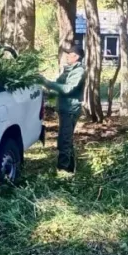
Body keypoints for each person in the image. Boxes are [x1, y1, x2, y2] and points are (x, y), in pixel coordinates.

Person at [42, 44, 86, 174]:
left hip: (70, 110)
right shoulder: (69, 70)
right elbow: (59, 88)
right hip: (65, 109)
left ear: (76, 57)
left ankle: (63, 170)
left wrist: (46, 82)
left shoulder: (79, 71)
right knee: (66, 139)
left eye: (69, 54)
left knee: (64, 141)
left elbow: (67, 89)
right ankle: (70, 169)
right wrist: (46, 93)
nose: (67, 56)